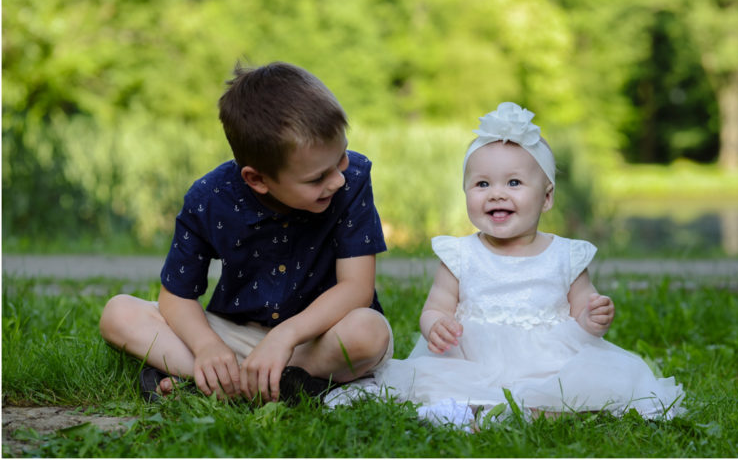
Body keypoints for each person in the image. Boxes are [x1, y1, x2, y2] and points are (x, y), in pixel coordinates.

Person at [371, 102, 684, 426]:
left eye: (514, 183)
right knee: (448, 384)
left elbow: (582, 313)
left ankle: (532, 409)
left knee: (574, 388)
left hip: (548, 360)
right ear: (466, 191)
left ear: (546, 197)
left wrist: (594, 318)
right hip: (472, 359)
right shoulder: (460, 255)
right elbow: (435, 308)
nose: (496, 194)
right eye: (482, 184)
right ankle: (467, 410)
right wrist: (435, 325)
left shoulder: (565, 256)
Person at [99, 61, 393, 404]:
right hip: (234, 335)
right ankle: (272, 382)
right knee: (119, 313)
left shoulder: (353, 180)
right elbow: (176, 297)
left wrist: (285, 336)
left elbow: (356, 288)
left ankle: (213, 382)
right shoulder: (208, 199)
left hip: (314, 338)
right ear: (257, 180)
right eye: (317, 179)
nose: (338, 179)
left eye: (341, 158)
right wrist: (207, 345)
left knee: (368, 333)